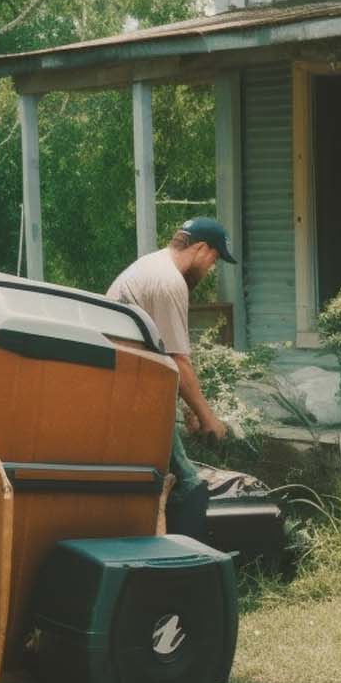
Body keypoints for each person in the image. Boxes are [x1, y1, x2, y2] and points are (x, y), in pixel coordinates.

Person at [107, 217, 239, 538]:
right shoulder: (169, 282)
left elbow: (164, 355)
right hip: (131, 390)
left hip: (124, 382)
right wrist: (209, 419)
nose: (210, 268)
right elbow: (179, 361)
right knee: (189, 482)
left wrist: (187, 408)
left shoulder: (150, 266)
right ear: (201, 248)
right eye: (213, 260)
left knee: (168, 477)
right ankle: (193, 558)